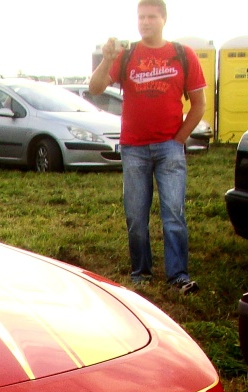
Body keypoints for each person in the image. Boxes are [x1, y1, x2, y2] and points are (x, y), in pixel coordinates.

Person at [90, 0, 205, 293]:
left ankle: (178, 275)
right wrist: (106, 58)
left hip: (169, 148)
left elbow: (199, 104)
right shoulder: (126, 55)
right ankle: (141, 273)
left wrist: (178, 139)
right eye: (141, 17)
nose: (145, 22)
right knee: (135, 215)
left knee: (174, 214)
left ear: (163, 19)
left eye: (151, 17)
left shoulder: (183, 54)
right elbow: (95, 88)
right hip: (134, 148)